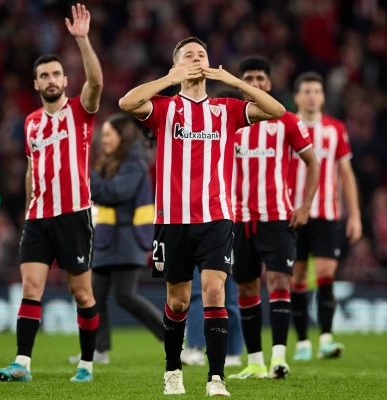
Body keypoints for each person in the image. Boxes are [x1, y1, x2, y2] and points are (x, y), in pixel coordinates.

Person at [119, 36, 285, 396]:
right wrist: (169, 78)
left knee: (213, 292)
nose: (197, 59)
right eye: (189, 55)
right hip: (172, 219)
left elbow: (277, 112)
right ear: (177, 64)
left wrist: (237, 83)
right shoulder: (165, 108)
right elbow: (127, 101)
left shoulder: (226, 109)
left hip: (216, 216)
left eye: (202, 54)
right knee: (177, 301)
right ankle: (172, 370)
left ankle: (216, 378)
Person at [0, 3, 103, 383]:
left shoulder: (79, 110)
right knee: (31, 287)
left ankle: (86, 365)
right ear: (36, 84)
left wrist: (82, 40)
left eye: (57, 73)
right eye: (45, 75)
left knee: (81, 294)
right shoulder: (31, 123)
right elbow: (30, 168)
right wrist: (27, 211)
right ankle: (22, 363)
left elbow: (98, 83)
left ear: (64, 80)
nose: (52, 79)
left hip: (74, 213)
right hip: (38, 217)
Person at [227, 56, 320, 380]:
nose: (254, 84)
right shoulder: (228, 120)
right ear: (240, 84)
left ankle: (279, 358)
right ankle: (255, 362)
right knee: (246, 288)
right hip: (238, 220)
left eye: (260, 79)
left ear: (269, 83)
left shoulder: (287, 121)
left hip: (277, 217)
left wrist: (305, 206)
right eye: (248, 78)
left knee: (279, 281)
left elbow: (313, 163)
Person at [68, 114, 164, 365]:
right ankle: (98, 350)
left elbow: (115, 193)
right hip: (108, 238)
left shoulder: (133, 163)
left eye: (109, 134)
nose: (104, 138)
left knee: (125, 295)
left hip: (127, 238)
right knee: (96, 293)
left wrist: (86, 175)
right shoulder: (112, 161)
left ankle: (172, 336)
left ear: (122, 136)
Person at [287, 72, 362, 361]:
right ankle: (303, 342)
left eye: (316, 91)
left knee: (327, 273)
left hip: (328, 213)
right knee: (298, 278)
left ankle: (327, 339)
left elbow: (346, 174)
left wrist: (354, 215)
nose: (312, 96)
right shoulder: (286, 126)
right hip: (294, 214)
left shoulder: (335, 129)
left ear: (323, 96)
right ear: (296, 97)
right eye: (306, 91)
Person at [181, 89, 245, 370]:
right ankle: (198, 345)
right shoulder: (208, 139)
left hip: (232, 220)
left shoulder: (239, 140)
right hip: (208, 218)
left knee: (223, 291)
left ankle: (229, 350)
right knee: (205, 288)